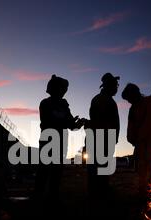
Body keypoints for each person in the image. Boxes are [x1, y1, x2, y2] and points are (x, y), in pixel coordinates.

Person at [35, 75, 85, 203]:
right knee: (44, 171)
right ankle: (38, 198)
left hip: (61, 143)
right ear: (55, 88)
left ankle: (52, 198)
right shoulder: (45, 103)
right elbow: (48, 122)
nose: (64, 91)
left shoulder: (64, 105)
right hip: (48, 142)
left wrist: (77, 124)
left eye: (65, 89)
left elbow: (70, 125)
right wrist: (67, 122)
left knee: (56, 172)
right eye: (63, 88)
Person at [123, 83, 151, 198]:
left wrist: (140, 137)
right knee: (141, 167)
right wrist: (131, 138)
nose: (129, 101)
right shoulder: (133, 108)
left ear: (135, 93)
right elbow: (131, 125)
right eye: (127, 100)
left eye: (129, 98)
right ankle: (143, 190)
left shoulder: (149, 102)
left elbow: (150, 122)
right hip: (139, 142)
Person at [87, 73, 120, 197]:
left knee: (101, 166)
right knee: (99, 166)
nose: (117, 88)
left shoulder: (106, 99)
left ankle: (100, 189)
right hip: (101, 138)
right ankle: (98, 192)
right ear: (108, 86)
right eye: (115, 85)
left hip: (104, 137)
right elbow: (99, 120)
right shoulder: (102, 100)